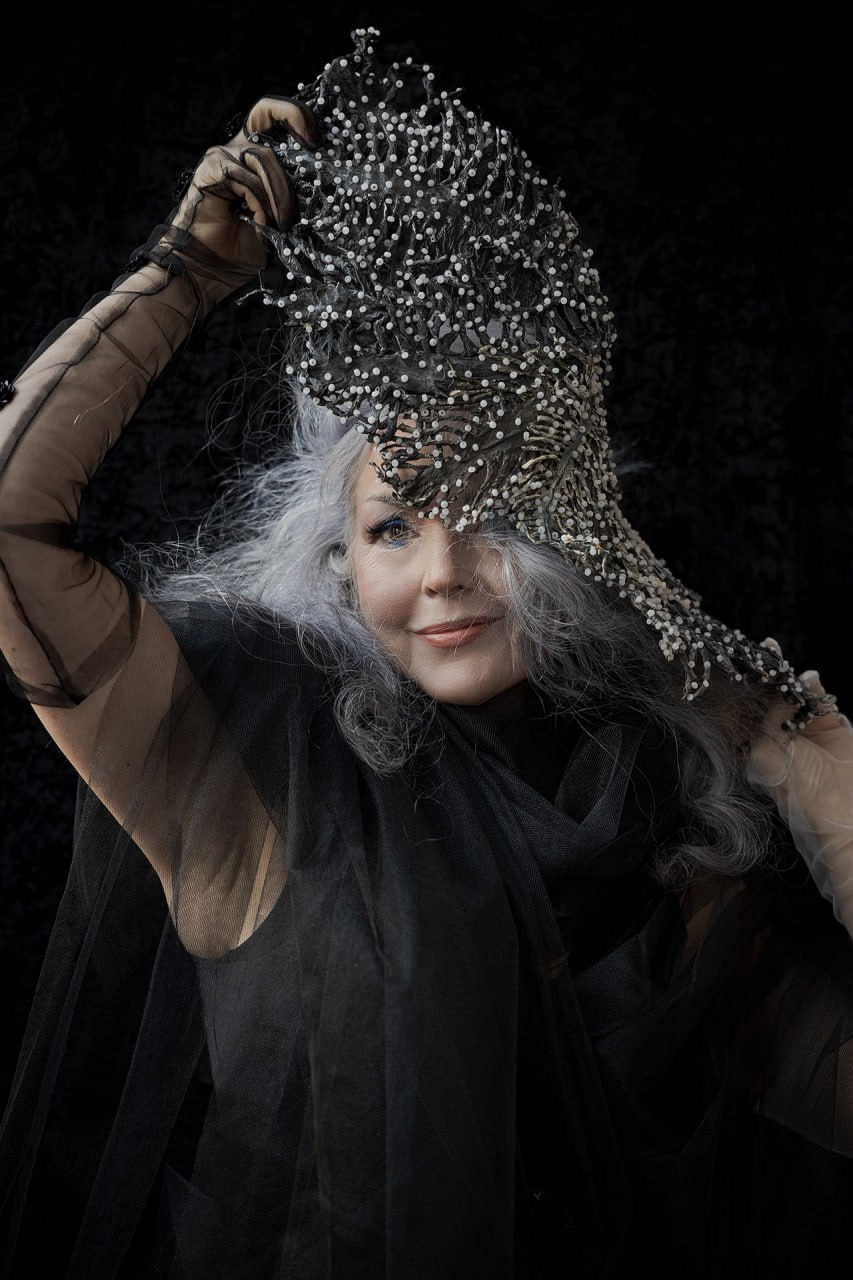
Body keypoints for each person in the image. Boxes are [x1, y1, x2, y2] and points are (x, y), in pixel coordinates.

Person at [1, 25, 852, 1280]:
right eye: (394, 525)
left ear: (566, 538)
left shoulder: (656, 823)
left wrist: (827, 788)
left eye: (493, 515)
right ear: (340, 558)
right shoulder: (249, 768)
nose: (445, 568)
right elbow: (12, 529)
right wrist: (185, 273)